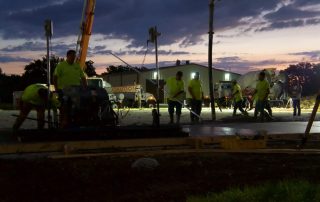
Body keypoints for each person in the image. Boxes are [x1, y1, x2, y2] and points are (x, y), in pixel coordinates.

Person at [53, 49, 87, 128]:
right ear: (67, 56)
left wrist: (85, 88)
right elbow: (55, 77)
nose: (73, 58)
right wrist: (56, 89)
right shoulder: (61, 65)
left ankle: (77, 122)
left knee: (79, 106)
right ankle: (63, 123)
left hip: (76, 90)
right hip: (64, 90)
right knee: (64, 107)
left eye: (74, 56)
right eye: (72, 56)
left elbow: (83, 78)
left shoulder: (77, 66)